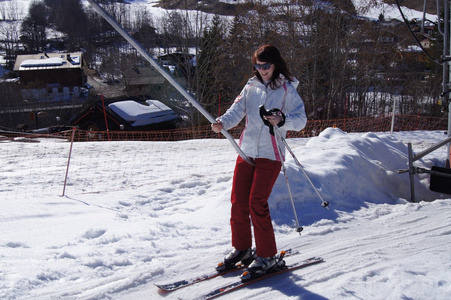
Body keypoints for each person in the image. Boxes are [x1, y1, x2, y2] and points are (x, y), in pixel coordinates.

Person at [211, 44, 307, 275]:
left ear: (275, 64)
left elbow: (301, 120)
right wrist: (222, 123)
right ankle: (243, 249)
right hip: (246, 151)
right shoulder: (251, 86)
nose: (262, 70)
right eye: (258, 65)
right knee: (238, 201)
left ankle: (267, 255)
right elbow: (236, 111)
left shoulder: (286, 89)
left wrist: (282, 120)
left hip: (270, 152)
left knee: (257, 202)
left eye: (266, 65)